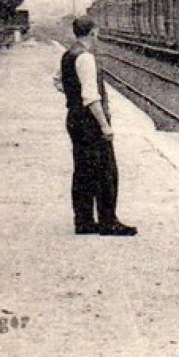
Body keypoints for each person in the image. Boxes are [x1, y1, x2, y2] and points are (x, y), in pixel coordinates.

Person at [57, 17, 136, 236]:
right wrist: (104, 125)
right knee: (105, 171)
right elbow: (91, 96)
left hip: (74, 117)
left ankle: (83, 221)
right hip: (89, 122)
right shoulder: (85, 57)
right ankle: (108, 222)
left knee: (83, 171)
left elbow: (57, 81)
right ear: (93, 33)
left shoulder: (68, 54)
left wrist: (72, 95)